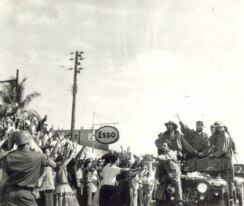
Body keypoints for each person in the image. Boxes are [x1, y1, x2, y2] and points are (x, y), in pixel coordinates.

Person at [3, 130, 56, 206]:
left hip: (10, 193)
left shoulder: (10, 156)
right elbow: (54, 165)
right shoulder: (38, 156)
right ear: (29, 142)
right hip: (26, 195)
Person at [208, 121, 234, 200]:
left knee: (227, 181)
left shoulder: (225, 136)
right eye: (217, 128)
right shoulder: (217, 136)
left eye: (220, 127)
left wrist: (212, 155)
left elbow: (221, 150)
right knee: (219, 181)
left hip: (226, 161)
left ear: (223, 127)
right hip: (220, 161)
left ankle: (230, 199)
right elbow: (211, 144)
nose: (218, 129)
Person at [154, 141, 183, 206]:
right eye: (162, 146)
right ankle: (158, 199)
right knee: (161, 184)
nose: (163, 147)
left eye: (165, 145)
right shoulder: (162, 154)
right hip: (166, 173)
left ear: (168, 146)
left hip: (174, 173)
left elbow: (166, 157)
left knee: (177, 184)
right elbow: (159, 166)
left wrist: (157, 157)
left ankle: (179, 200)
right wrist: (156, 176)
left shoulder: (171, 152)